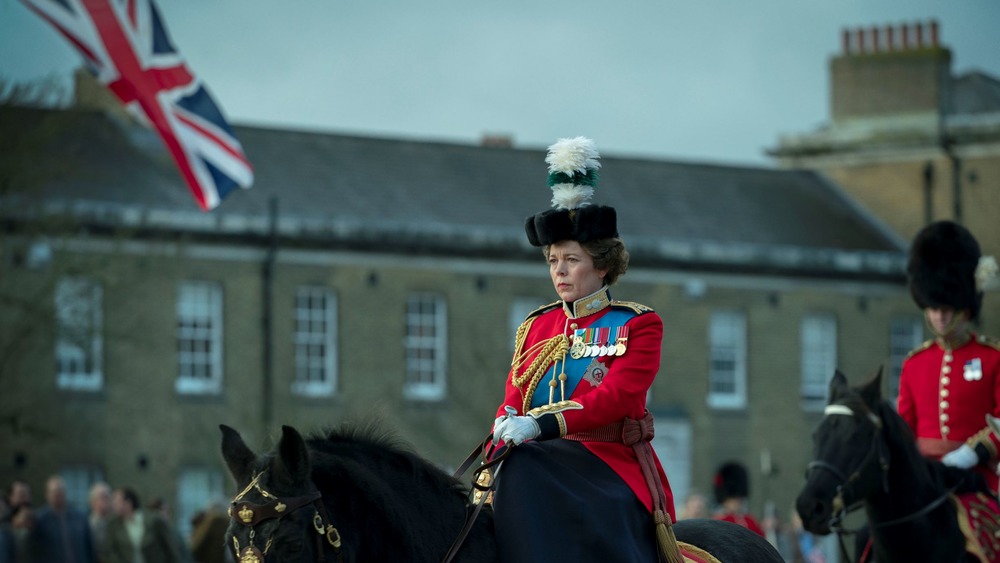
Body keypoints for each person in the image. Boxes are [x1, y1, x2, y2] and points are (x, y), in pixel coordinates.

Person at [489, 137, 679, 563]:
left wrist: (540, 427)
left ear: (603, 265)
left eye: (571, 259)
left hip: (607, 465)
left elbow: (618, 397)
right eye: (553, 259)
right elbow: (514, 400)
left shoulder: (636, 324)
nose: (559, 270)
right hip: (535, 465)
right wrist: (502, 432)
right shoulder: (536, 326)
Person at [897, 220, 1000, 493]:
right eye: (933, 307)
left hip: (976, 477)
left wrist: (970, 454)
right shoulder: (914, 364)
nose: (940, 316)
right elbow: (904, 432)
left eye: (946, 307)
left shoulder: (992, 358)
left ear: (964, 307)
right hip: (923, 479)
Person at [27, 474, 96, 563]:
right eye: (54, 491)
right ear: (47, 494)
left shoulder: (80, 517)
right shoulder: (40, 520)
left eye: (61, 491)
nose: (58, 494)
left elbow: (89, 547)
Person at [102, 487, 181, 563]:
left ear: (128, 503)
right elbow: (110, 553)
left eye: (116, 501)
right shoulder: (113, 525)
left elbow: (171, 550)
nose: (113, 504)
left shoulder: (154, 521)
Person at [711, 461, 765, 537]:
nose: (738, 502)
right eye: (734, 499)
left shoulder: (750, 521)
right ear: (725, 500)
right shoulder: (718, 521)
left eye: (739, 498)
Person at [88, 482, 112, 559]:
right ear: (93, 502)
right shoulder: (88, 525)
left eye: (108, 497)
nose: (107, 501)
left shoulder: (115, 522)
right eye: (103, 497)